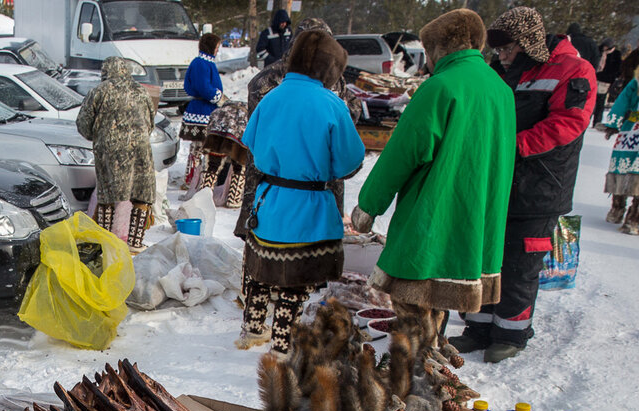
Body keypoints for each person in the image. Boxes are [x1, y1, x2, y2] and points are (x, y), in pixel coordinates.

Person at [350, 11, 515, 347]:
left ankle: (415, 376)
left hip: (432, 215)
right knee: (438, 308)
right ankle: (430, 362)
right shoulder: (501, 90)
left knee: (413, 307)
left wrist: (368, 205)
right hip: (476, 219)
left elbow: (402, 153)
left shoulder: (440, 87)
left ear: (441, 47)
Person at [451, 7, 596, 363]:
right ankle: (478, 326)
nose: (501, 56)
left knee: (520, 262)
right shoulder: (500, 70)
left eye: (507, 48)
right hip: (496, 183)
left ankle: (511, 333)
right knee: (486, 255)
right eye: (498, 50)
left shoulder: (575, 70)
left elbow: (567, 124)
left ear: (528, 43)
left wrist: (511, 147)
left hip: (540, 187)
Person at [238, 30, 365, 353]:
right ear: (329, 68)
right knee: (295, 277)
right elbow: (350, 161)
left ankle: (252, 329)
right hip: (309, 205)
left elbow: (250, 142)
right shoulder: (332, 104)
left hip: (268, 200)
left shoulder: (271, 97)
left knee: (261, 268)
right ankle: (282, 345)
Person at [237, 17, 361, 238]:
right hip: (309, 195)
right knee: (310, 262)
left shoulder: (274, 92)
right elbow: (350, 162)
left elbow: (254, 142)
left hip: (273, 196)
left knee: (270, 253)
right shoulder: (271, 80)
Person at [77, 56, 157, 253]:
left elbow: (83, 124)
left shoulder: (99, 91)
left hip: (110, 152)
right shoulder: (140, 90)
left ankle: (106, 242)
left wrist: (98, 135)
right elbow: (150, 121)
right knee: (141, 194)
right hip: (140, 150)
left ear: (105, 72)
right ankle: (135, 242)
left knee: (108, 194)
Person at [180, 32, 227, 191]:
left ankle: (192, 178)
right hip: (202, 113)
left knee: (197, 148)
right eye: (217, 47)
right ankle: (197, 181)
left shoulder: (203, 62)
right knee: (201, 148)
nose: (218, 51)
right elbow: (203, 87)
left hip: (202, 110)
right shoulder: (202, 64)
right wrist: (219, 97)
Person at [603, 58, 639, 234]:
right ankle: (618, 207)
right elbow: (623, 100)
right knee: (623, 169)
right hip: (633, 129)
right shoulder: (636, 82)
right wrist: (613, 122)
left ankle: (634, 216)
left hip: (632, 129)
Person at [595, 39, 621, 126]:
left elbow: (617, 69)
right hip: (595, 78)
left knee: (600, 102)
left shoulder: (616, 54)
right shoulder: (598, 51)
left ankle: (597, 121)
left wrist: (612, 78)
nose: (605, 48)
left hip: (606, 81)